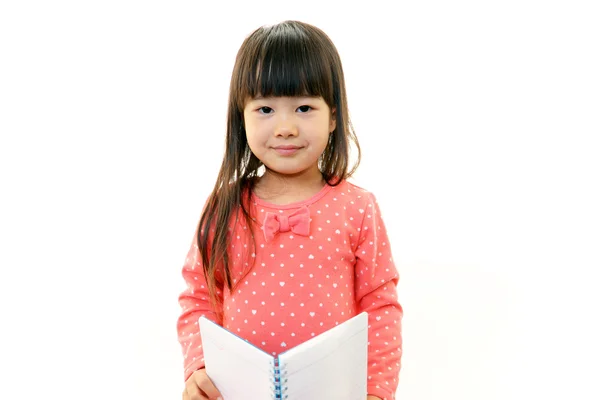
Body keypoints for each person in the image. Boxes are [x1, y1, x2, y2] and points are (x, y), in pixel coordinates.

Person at [177, 20, 403, 400]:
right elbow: (199, 297)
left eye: (303, 107)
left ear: (333, 116)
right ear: (241, 117)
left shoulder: (357, 208)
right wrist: (199, 369)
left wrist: (377, 391)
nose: (284, 127)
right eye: (265, 109)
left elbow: (380, 307)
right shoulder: (223, 208)